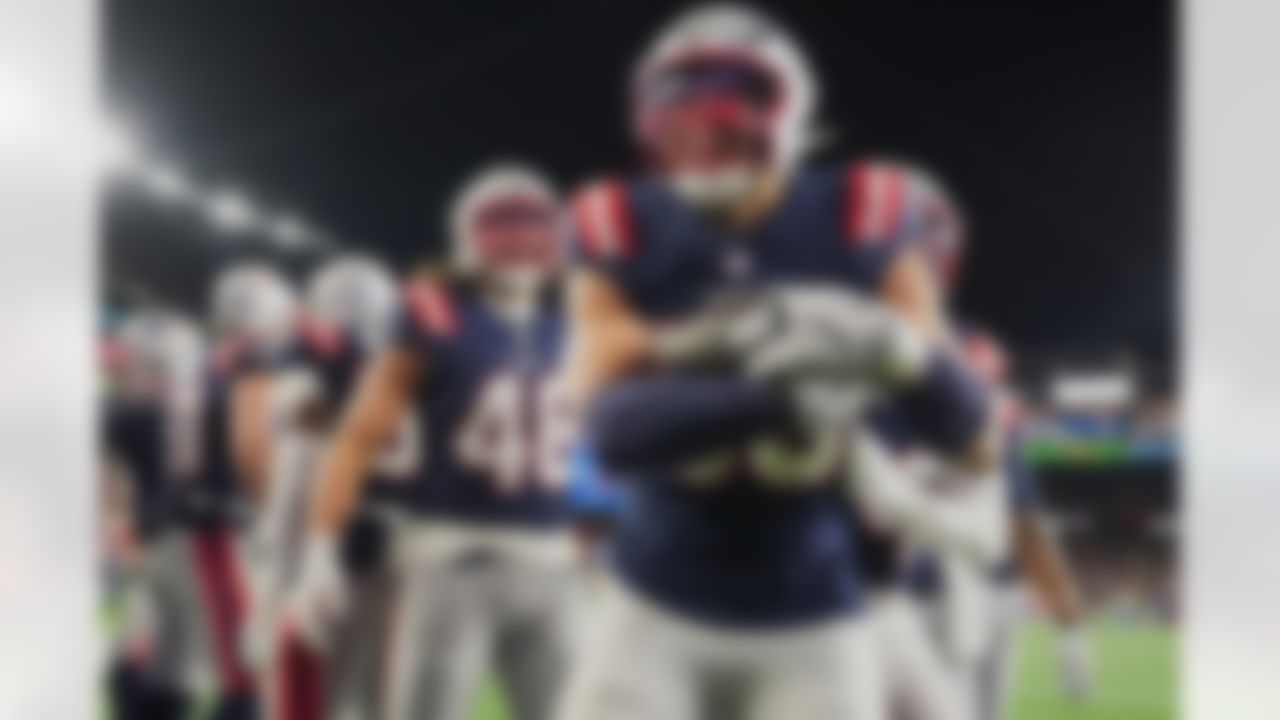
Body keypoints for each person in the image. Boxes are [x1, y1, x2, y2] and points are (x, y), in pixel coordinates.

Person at [557, 6, 997, 720]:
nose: (702, 133)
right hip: (652, 598)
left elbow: (973, 439)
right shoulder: (617, 219)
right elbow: (602, 421)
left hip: (817, 610)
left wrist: (900, 352)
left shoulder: (864, 210)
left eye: (729, 116)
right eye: (680, 115)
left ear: (789, 109)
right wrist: (735, 359)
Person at [291, 163, 579, 720]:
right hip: (452, 564)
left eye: (533, 225)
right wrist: (320, 548)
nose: (519, 240)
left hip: (554, 568)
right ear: (468, 237)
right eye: (502, 226)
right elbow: (356, 438)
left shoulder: (564, 328)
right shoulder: (433, 316)